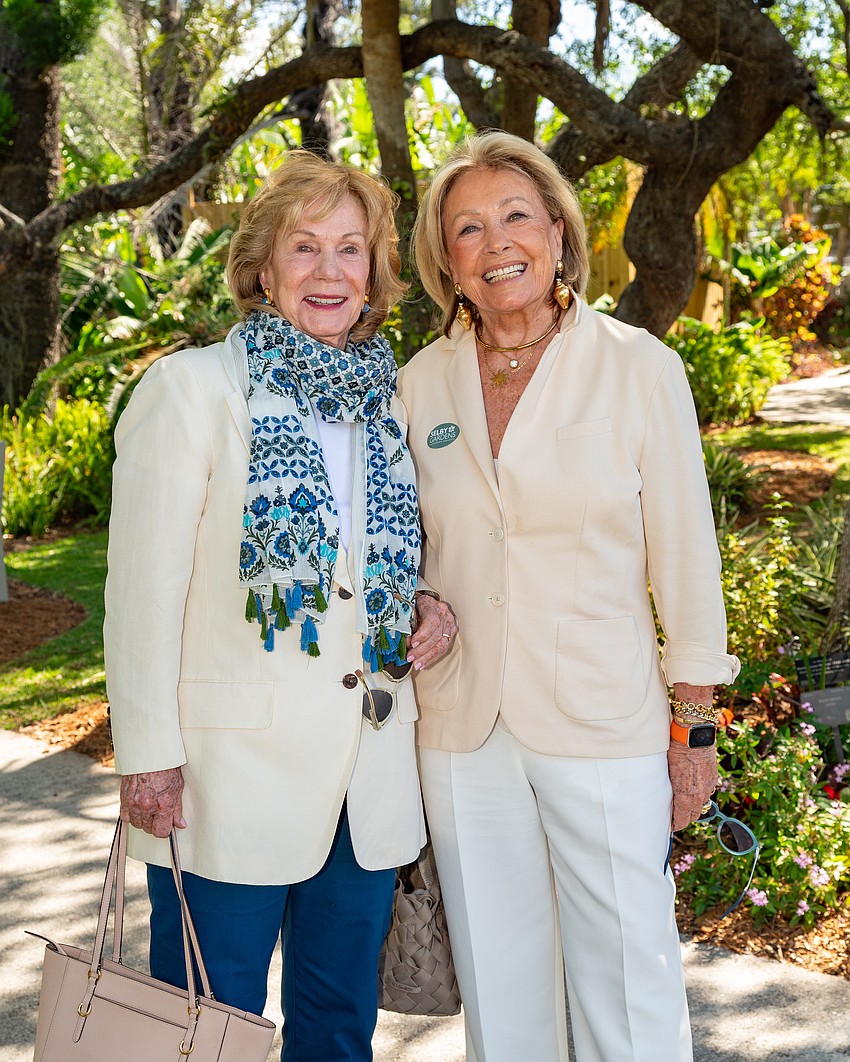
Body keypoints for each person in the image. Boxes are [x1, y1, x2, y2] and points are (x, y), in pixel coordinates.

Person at [103, 150, 457, 1062]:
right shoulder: (192, 392)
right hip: (226, 785)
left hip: (368, 778)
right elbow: (141, 595)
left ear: (378, 271)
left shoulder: (389, 400)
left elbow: (361, 571)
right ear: (264, 268)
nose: (331, 272)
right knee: (200, 1031)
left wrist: (422, 603)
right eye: (306, 247)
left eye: (352, 248)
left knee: (339, 1027)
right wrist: (148, 757)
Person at [397, 130, 740, 1062]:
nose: (496, 240)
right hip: (462, 724)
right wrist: (419, 598)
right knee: (501, 987)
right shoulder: (418, 382)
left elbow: (686, 559)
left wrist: (695, 727)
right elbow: (405, 546)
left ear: (556, 229)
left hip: (601, 718)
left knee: (627, 980)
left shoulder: (638, 367)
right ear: (447, 263)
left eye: (515, 215)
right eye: (467, 228)